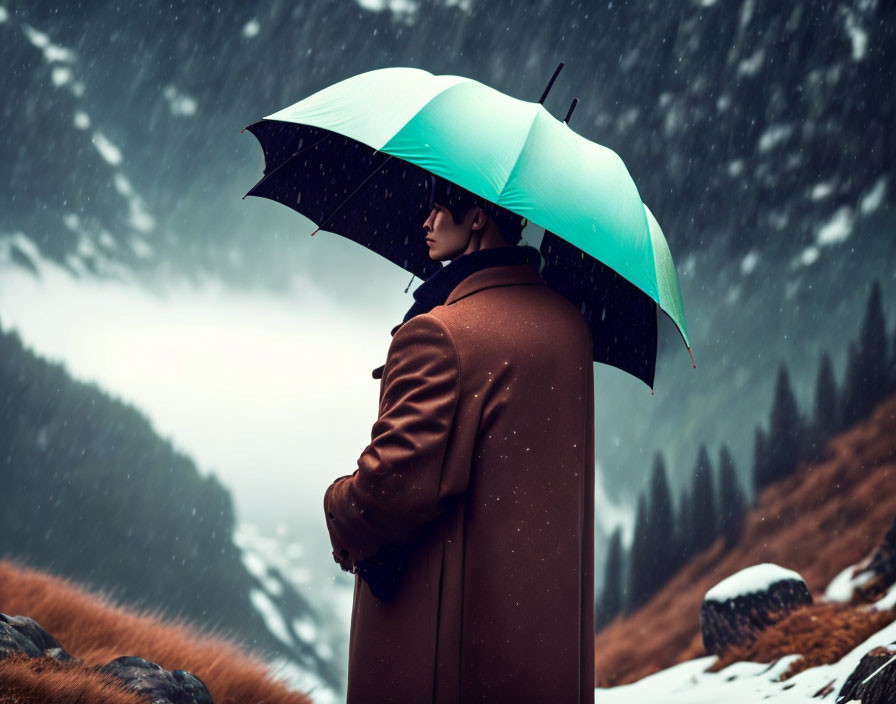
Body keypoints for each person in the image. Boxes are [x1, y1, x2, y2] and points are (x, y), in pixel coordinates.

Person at [323, 177, 596, 703]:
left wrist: (337, 502)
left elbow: (388, 490)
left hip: (443, 642)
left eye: (440, 207)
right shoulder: (568, 327)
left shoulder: (439, 333)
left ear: (478, 217)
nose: (426, 221)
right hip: (541, 643)